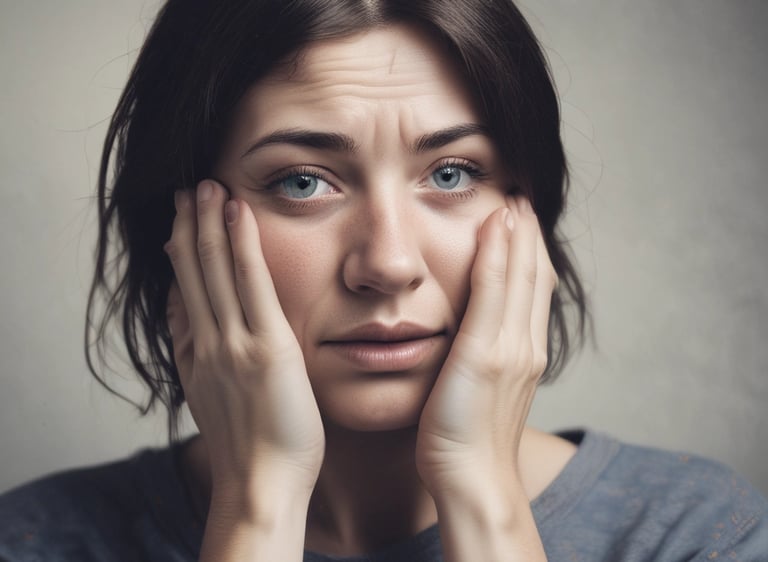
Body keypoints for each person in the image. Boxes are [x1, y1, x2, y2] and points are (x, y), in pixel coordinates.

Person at [1, 0, 766, 560]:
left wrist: (483, 498)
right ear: (179, 227)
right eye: (303, 182)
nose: (390, 264)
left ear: (528, 204)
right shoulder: (40, 542)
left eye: (453, 172)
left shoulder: (698, 536)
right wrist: (258, 507)